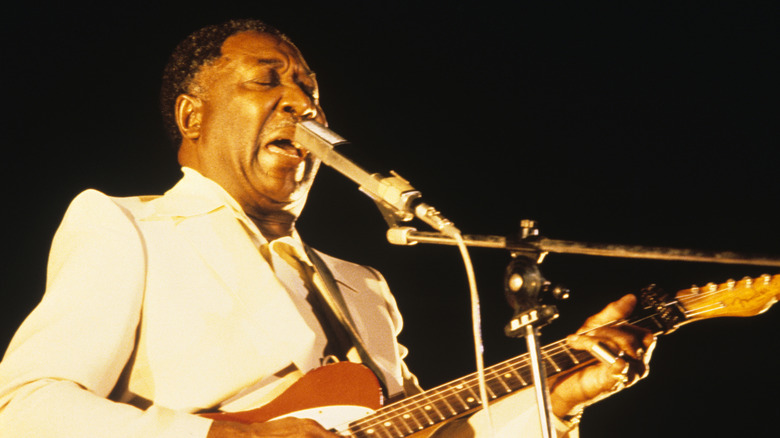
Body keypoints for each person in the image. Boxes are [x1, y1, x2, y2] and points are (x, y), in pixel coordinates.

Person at [0, 19, 655, 437]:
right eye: (268, 82)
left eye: (310, 90)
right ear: (193, 117)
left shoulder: (363, 284)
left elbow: (434, 435)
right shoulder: (130, 227)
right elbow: (25, 409)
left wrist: (558, 397)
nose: (302, 103)